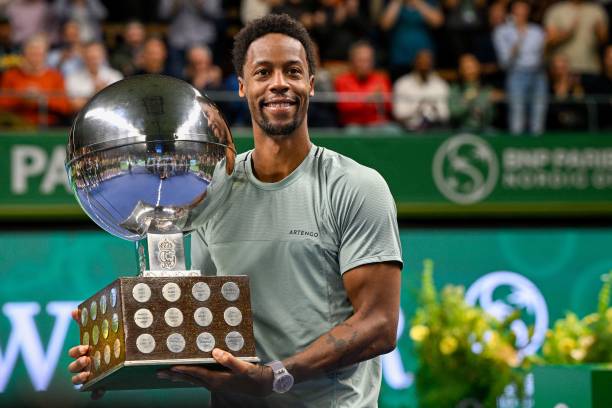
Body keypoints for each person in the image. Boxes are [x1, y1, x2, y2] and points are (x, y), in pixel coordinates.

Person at [68, 13, 402, 407]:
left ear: (311, 84)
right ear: (242, 86)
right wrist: (117, 355)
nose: (279, 83)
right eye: (263, 72)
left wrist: (277, 376)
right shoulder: (213, 186)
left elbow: (379, 324)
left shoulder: (355, 186)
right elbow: (201, 326)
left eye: (293, 71)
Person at [493, 0, 547, 135]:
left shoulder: (537, 31)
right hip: (516, 73)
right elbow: (504, 62)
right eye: (518, 9)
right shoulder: (502, 31)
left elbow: (542, 55)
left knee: (539, 111)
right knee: (517, 112)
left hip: (538, 74)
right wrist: (518, 41)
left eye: (524, 8)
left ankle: (537, 144)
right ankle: (517, 144)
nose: (521, 12)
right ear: (512, 11)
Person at [0, 34, 71, 126]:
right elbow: (2, 103)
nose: (35, 58)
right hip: (15, 126)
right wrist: (21, 98)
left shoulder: (55, 77)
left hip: (48, 126)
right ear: (24, 54)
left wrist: (42, 99)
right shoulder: (11, 75)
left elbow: (65, 107)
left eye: (39, 54)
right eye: (32, 53)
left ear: (45, 55)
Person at [544, 0, 608, 85]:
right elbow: (548, 41)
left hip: (591, 68)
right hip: (563, 70)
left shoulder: (597, 10)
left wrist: (599, 34)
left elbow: (604, 40)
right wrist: (567, 34)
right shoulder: (556, 10)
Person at [334, 40, 394, 129]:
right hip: (353, 124)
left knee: (394, 131)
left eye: (368, 60)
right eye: (361, 61)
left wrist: (381, 101)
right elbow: (343, 107)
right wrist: (367, 100)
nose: (365, 65)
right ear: (352, 61)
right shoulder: (342, 81)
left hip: (378, 124)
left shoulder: (381, 79)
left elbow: (390, 106)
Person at [379, 0, 444, 81]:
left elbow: (438, 22)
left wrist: (418, 3)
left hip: (424, 56)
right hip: (400, 57)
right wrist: (397, 2)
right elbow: (385, 25)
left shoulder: (430, 1)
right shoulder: (392, 2)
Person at [392, 49, 449, 131]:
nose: (424, 66)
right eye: (421, 63)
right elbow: (398, 114)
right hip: (407, 130)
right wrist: (417, 109)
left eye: (427, 63)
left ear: (432, 64)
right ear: (414, 63)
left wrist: (434, 108)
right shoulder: (402, 84)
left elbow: (445, 115)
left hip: (436, 129)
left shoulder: (441, 85)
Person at [66, 41, 123, 111]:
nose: (93, 61)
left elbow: (120, 102)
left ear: (103, 56)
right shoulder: (73, 78)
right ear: (83, 57)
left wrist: (87, 99)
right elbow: (74, 105)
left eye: (96, 58)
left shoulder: (114, 76)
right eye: (89, 58)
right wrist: (96, 94)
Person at [448, 53, 497, 132]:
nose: (471, 71)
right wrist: (467, 100)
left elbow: (491, 116)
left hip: (485, 129)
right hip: (462, 129)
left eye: (473, 66)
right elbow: (454, 113)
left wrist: (487, 107)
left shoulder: (486, 89)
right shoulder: (456, 89)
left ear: (478, 67)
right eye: (467, 67)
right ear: (461, 70)